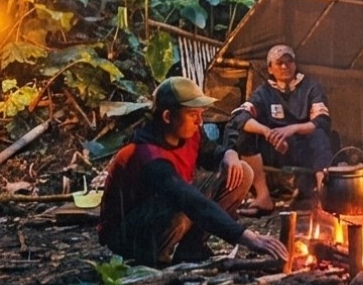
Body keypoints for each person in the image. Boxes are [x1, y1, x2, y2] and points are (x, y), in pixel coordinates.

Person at [97, 76, 287, 266]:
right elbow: (189, 200)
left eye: (200, 113)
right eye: (192, 114)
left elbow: (211, 152)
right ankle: (154, 260)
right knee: (181, 206)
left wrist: (228, 154)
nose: (199, 121)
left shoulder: (189, 133)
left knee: (241, 172)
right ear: (167, 116)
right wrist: (245, 237)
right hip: (127, 235)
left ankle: (191, 250)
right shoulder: (148, 155)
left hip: (171, 203)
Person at [229, 44, 334, 214]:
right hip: (275, 148)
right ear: (270, 68)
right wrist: (267, 132)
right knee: (244, 132)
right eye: (279, 63)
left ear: (295, 64)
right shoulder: (264, 92)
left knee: (320, 135)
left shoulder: (310, 87)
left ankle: (325, 199)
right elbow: (240, 116)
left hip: (304, 149)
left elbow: (322, 120)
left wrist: (292, 129)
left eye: (289, 61)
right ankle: (263, 198)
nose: (285, 66)